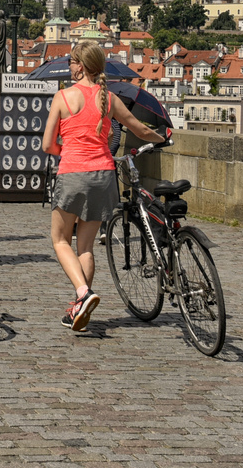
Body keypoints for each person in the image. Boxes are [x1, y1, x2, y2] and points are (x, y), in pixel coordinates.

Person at [44, 41, 165, 332]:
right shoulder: (108, 99)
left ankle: (83, 294)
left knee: (60, 240)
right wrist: (163, 138)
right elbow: (140, 128)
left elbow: (48, 145)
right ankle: (78, 310)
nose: (70, 66)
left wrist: (69, 154)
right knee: (85, 246)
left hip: (73, 174)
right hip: (103, 175)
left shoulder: (63, 97)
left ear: (81, 66)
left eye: (73, 61)